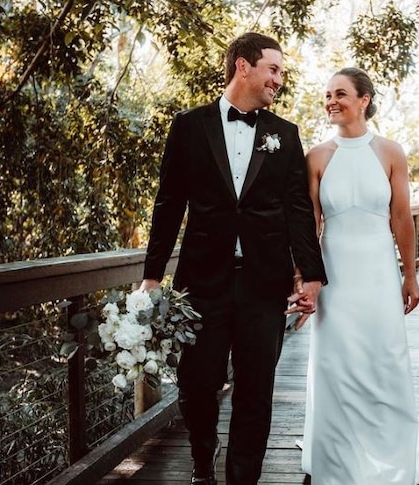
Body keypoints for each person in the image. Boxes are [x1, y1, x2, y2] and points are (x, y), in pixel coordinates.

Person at [139, 32, 326, 485]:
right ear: (243, 66)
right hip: (201, 284)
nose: (279, 80)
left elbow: (298, 211)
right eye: (273, 69)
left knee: (255, 391)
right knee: (197, 386)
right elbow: (169, 204)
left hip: (264, 284)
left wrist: (312, 276)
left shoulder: (285, 134)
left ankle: (244, 478)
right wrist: (151, 276)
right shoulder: (189, 126)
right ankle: (203, 461)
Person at [296, 67, 419, 484]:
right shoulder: (316, 156)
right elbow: (309, 226)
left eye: (340, 93)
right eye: (327, 94)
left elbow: (401, 219)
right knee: (335, 362)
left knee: (383, 358)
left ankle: (386, 451)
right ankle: (336, 454)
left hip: (379, 272)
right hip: (335, 276)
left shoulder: (390, 152)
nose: (331, 100)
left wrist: (410, 276)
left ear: (363, 99)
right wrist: (304, 279)